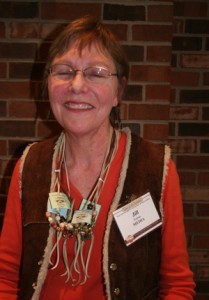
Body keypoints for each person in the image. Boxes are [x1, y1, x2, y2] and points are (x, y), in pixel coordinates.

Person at [0, 15, 195, 300]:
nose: (77, 85)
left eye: (96, 72)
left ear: (118, 91)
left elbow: (177, 286)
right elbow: (4, 275)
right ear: (48, 84)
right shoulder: (30, 165)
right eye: (64, 71)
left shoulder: (156, 168)